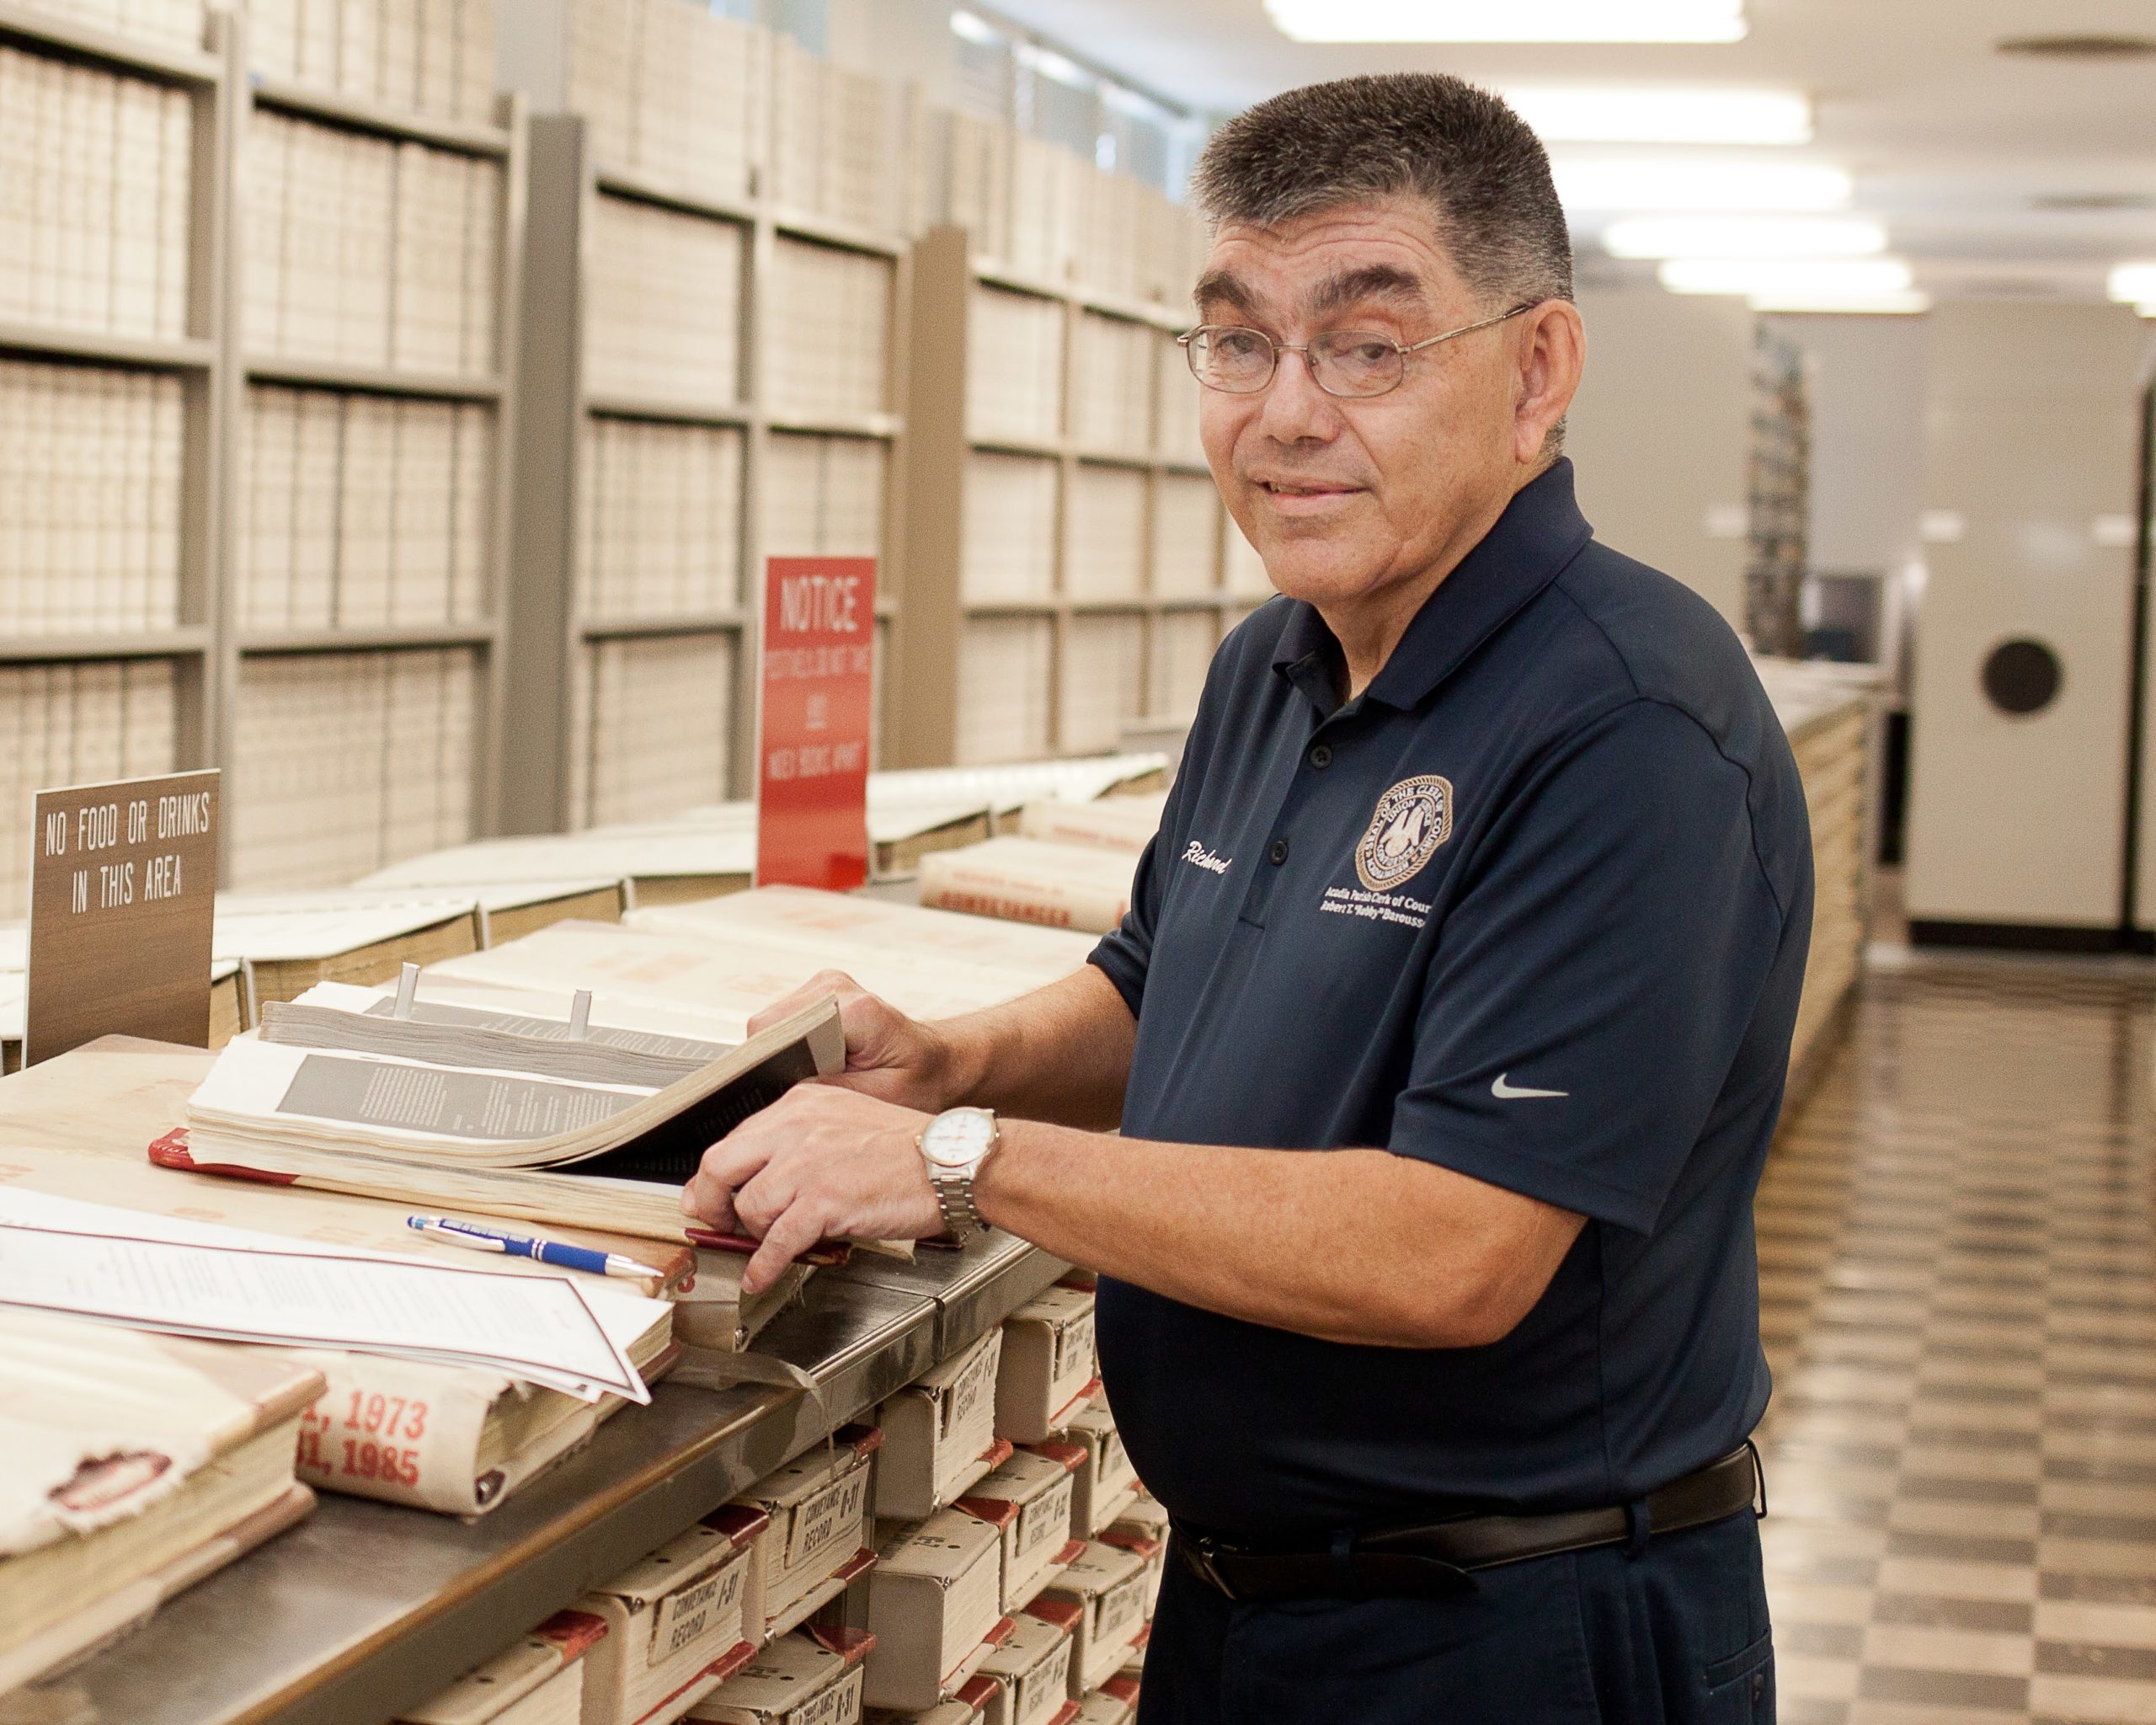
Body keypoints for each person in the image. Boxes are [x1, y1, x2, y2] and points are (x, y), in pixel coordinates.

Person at [686, 72, 1809, 1724]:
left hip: (1514, 1631)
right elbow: (1163, 989)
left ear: (1534, 371)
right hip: (1246, 1607)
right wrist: (951, 1064)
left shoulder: (1625, 723)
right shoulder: (1273, 663)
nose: (1285, 414)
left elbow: (1458, 1251)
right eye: (1236, 341)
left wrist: (954, 1159)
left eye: (1365, 345)